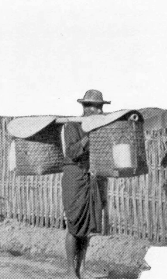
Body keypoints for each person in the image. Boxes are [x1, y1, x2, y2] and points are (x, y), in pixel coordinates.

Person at [61, 89, 109, 278]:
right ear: (85, 107)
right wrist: (89, 137)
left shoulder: (100, 127)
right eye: (95, 107)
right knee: (74, 225)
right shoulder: (72, 125)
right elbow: (72, 152)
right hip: (75, 177)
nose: (98, 111)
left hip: (92, 177)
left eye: (100, 107)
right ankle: (70, 271)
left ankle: (81, 268)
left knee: (88, 227)